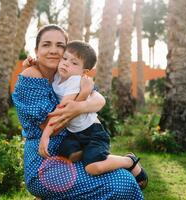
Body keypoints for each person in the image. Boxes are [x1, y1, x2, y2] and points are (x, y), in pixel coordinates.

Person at [12, 24, 144, 199]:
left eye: (60, 46)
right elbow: (49, 126)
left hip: (69, 152)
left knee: (119, 177)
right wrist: (81, 99)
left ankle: (126, 162)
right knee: (122, 182)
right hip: (44, 164)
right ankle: (129, 162)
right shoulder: (31, 75)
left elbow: (99, 99)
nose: (53, 50)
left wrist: (82, 101)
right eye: (46, 45)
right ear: (36, 50)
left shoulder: (63, 75)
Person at [38, 40, 148, 190]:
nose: (65, 63)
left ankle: (129, 161)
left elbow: (61, 112)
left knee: (92, 167)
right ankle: (88, 153)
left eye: (74, 63)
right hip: (74, 133)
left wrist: (46, 135)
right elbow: (43, 67)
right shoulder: (58, 75)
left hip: (93, 133)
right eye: (65, 58)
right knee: (65, 156)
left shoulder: (74, 81)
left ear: (84, 72)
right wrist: (33, 62)